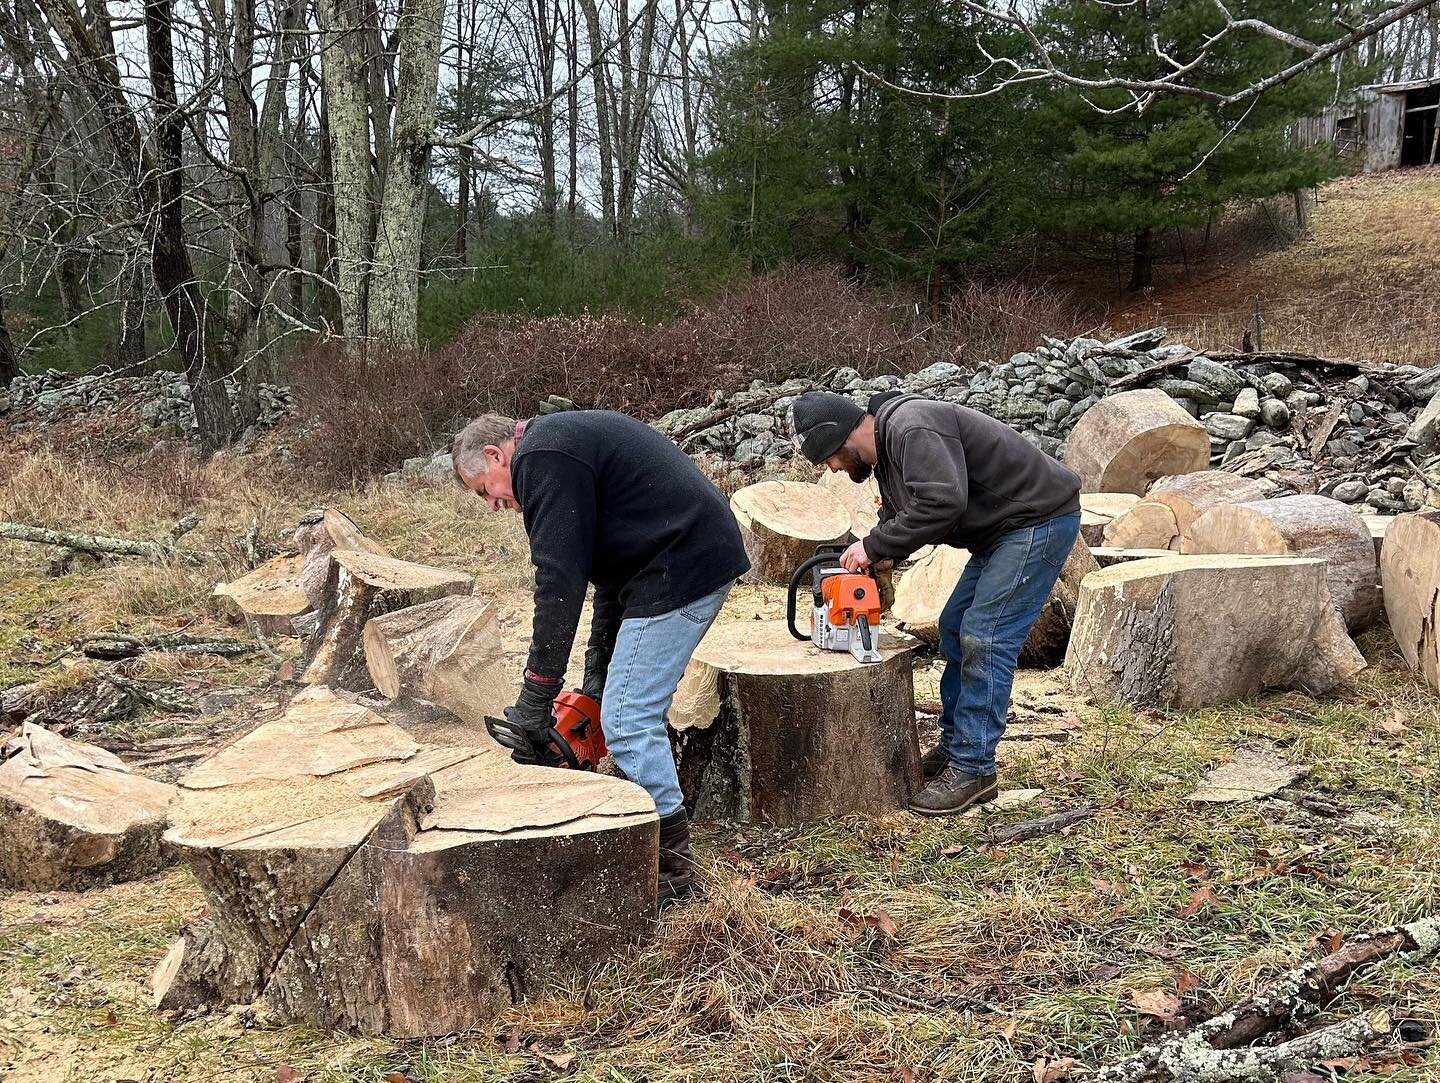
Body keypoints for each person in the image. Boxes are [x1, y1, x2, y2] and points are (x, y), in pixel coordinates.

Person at [452, 411, 750, 901]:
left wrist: (537, 694)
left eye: (486, 490)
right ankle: (646, 834)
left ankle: (674, 871)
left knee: (629, 721)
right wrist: (594, 680)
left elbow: (558, 583)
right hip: (672, 559)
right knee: (612, 704)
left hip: (685, 565)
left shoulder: (542, 457)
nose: (493, 505)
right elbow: (610, 579)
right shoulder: (558, 447)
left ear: (495, 455)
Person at [787, 390, 1081, 816]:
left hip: (1037, 520)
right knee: (955, 627)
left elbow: (943, 501)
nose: (833, 467)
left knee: (986, 635)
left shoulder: (912, 426)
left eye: (830, 457)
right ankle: (956, 746)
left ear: (840, 437)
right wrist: (875, 558)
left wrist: (874, 546)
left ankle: (974, 767)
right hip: (1001, 533)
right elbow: (902, 517)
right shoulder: (888, 454)